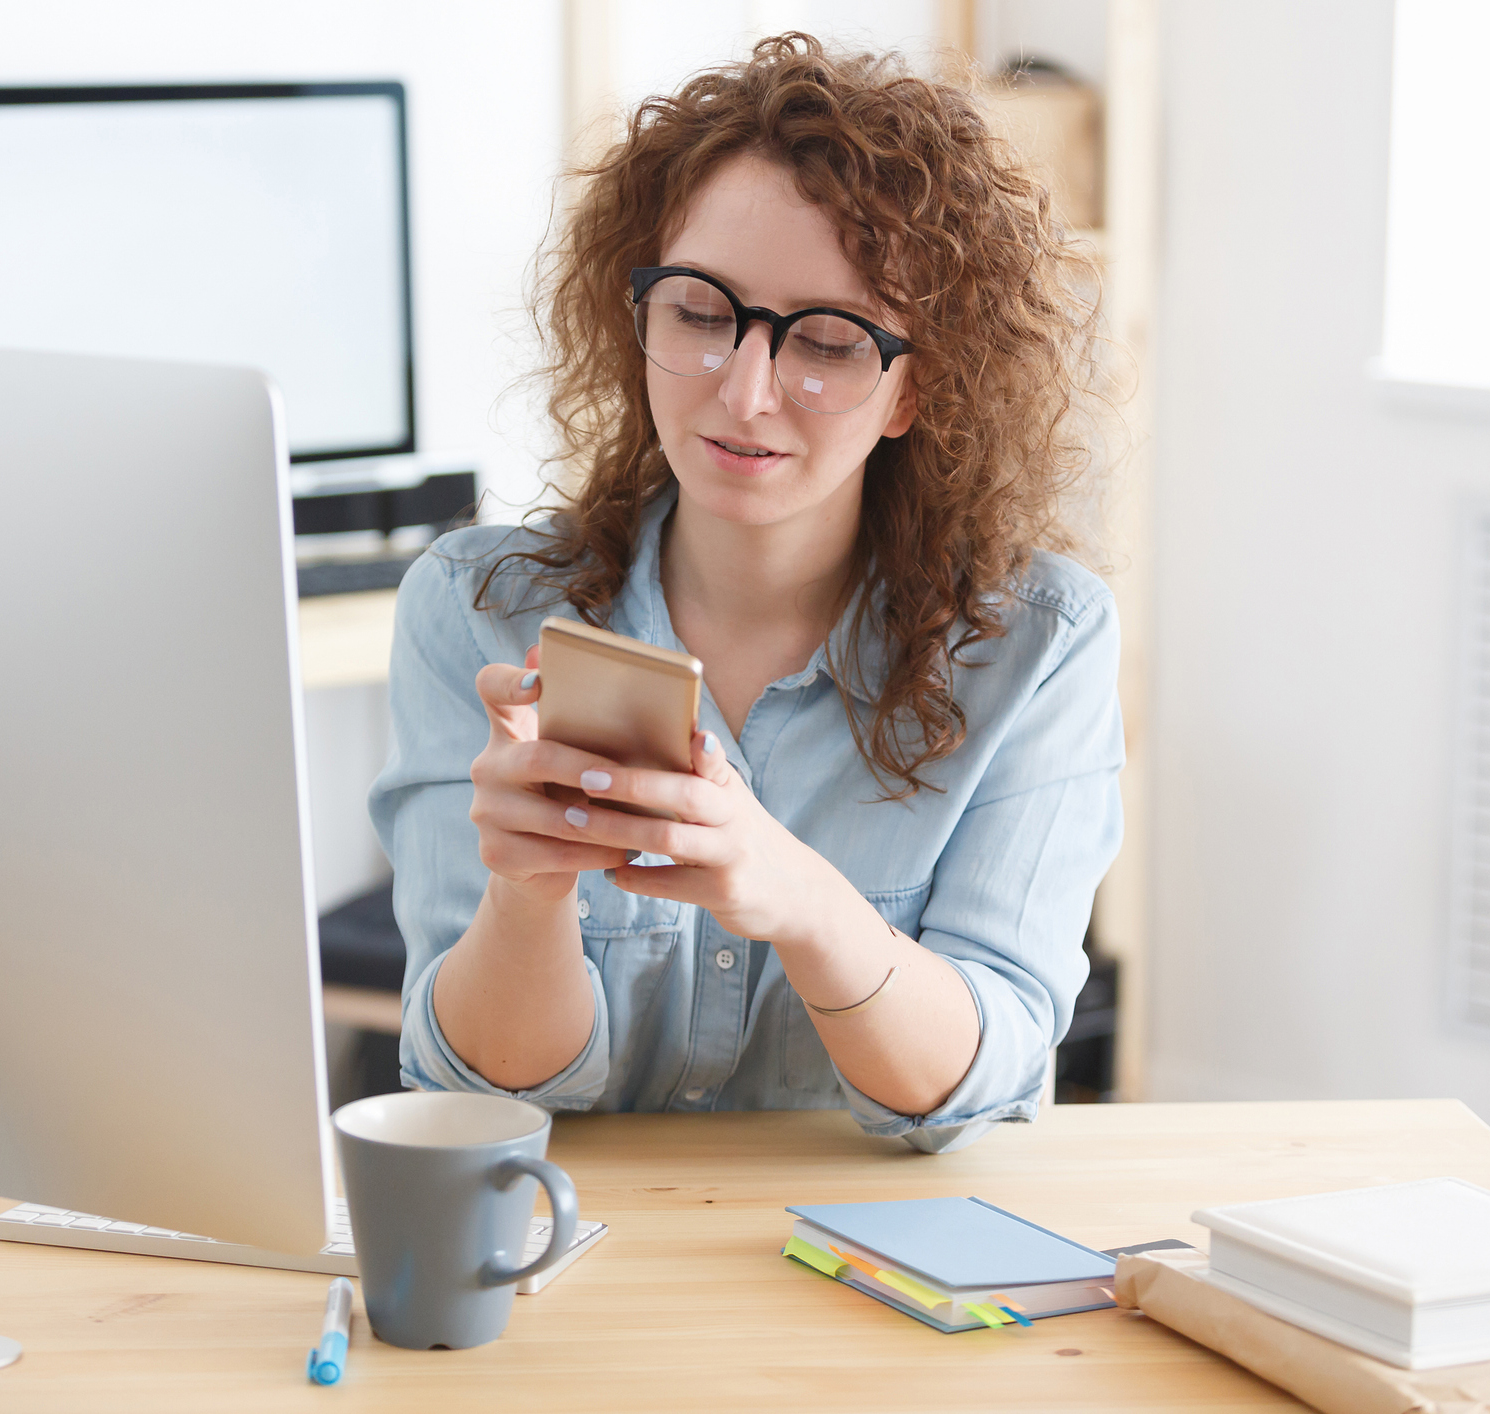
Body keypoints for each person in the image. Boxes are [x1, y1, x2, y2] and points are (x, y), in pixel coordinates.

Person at [369, 33, 1121, 1153]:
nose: (747, 390)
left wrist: (797, 895)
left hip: (888, 1276)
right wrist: (527, 898)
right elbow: (482, 1089)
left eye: (826, 339)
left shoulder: (1037, 642)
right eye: (700, 312)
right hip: (572, 1260)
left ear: (916, 390)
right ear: (638, 322)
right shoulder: (477, 608)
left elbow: (979, 1078)